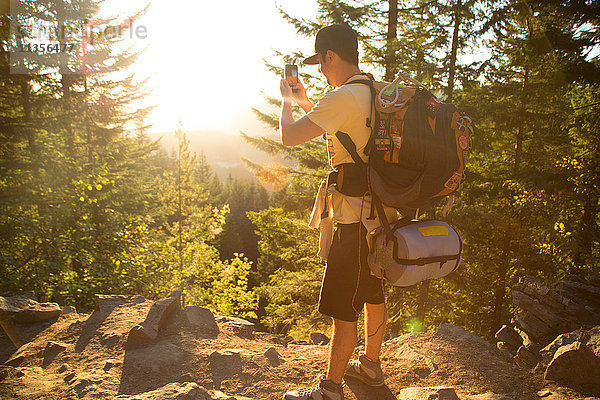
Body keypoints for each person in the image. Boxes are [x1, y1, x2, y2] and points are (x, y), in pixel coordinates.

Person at [278, 24, 397, 400]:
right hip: (381, 217)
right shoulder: (373, 91)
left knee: (342, 308)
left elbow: (290, 136)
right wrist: (306, 101)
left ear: (331, 55)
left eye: (321, 62)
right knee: (374, 293)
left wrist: (285, 100)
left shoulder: (344, 96)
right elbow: (342, 128)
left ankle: (329, 390)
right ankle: (371, 368)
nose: (319, 71)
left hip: (353, 221)